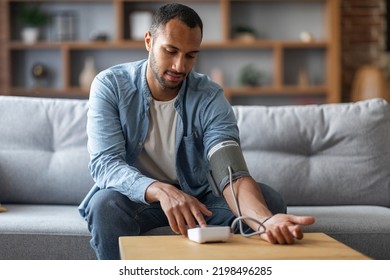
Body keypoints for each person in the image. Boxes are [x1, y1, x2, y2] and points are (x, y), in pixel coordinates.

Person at [78, 3, 315, 260]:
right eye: (171, 51)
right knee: (104, 205)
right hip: (136, 200)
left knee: (269, 201)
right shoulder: (110, 85)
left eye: (190, 55)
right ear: (149, 41)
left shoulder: (209, 97)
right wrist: (163, 191)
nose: (180, 66)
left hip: (195, 201)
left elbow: (231, 173)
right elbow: (106, 164)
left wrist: (264, 220)